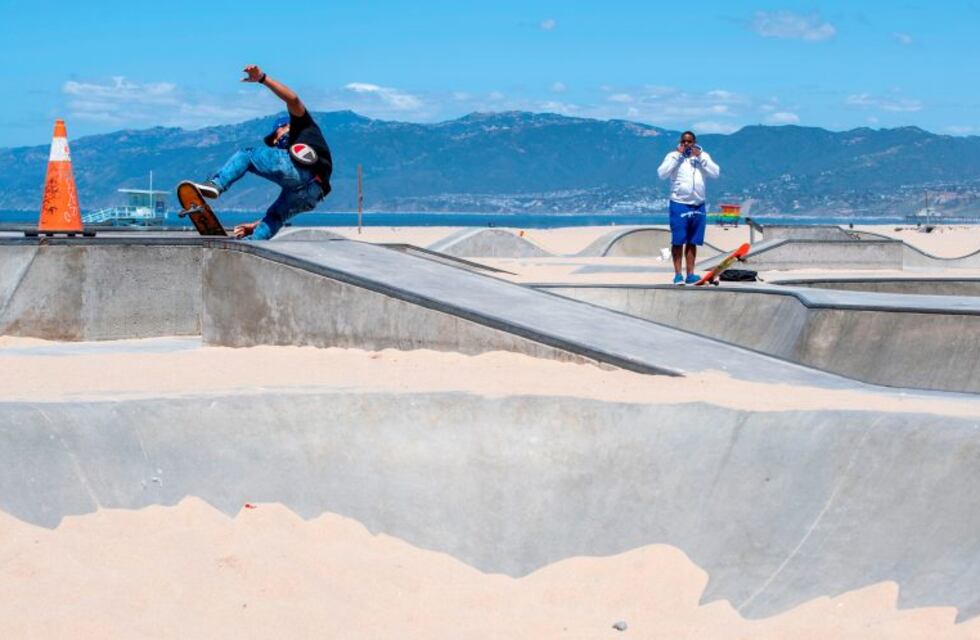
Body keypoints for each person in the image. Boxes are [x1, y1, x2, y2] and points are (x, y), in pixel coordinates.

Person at [189, 65, 333, 240]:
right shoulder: (296, 147)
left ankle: (216, 185)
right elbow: (285, 209)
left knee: (247, 155)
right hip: (314, 194)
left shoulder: (301, 124)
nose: (274, 142)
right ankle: (251, 244)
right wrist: (254, 226)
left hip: (301, 171)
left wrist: (263, 78)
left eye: (275, 136)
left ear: (286, 126)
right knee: (274, 217)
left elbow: (293, 100)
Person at [657, 131, 720, 284]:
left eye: (689, 141)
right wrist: (678, 156)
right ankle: (678, 274)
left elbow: (716, 173)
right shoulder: (672, 156)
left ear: (694, 142)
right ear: (680, 142)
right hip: (679, 203)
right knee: (678, 241)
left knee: (692, 241)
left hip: (698, 204)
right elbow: (662, 173)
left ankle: (690, 274)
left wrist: (700, 157)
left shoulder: (702, 156)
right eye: (684, 141)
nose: (687, 144)